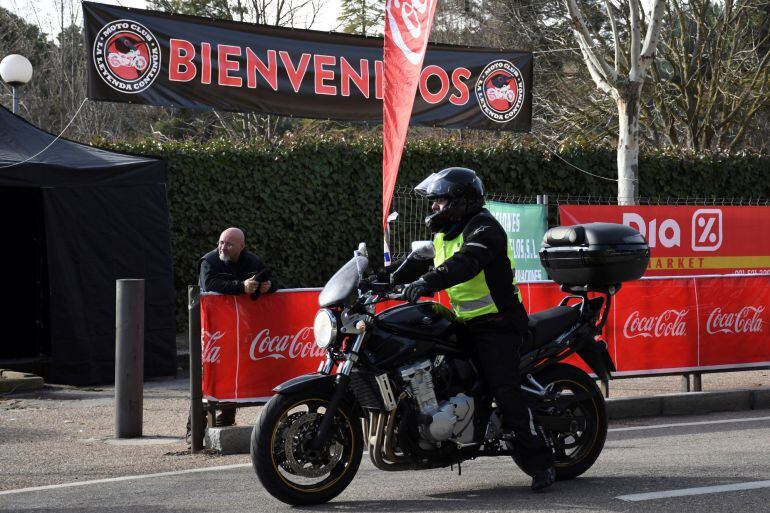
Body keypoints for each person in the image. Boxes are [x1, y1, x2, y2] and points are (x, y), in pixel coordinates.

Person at [401, 167, 556, 491]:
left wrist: (428, 282)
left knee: (505, 389)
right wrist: (382, 279)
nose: (433, 208)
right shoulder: (446, 233)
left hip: (498, 324)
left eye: (439, 200)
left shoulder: (486, 230)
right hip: (466, 323)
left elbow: (465, 263)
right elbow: (421, 260)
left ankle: (541, 464)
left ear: (460, 200)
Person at [199, 227, 279, 427]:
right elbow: (209, 284)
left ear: (241, 246)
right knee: (210, 376)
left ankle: (227, 418)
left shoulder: (251, 260)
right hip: (214, 330)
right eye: (220, 243)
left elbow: (274, 281)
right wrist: (241, 287)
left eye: (229, 244)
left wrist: (268, 286)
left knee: (236, 371)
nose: (222, 248)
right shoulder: (209, 261)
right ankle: (195, 429)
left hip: (244, 329)